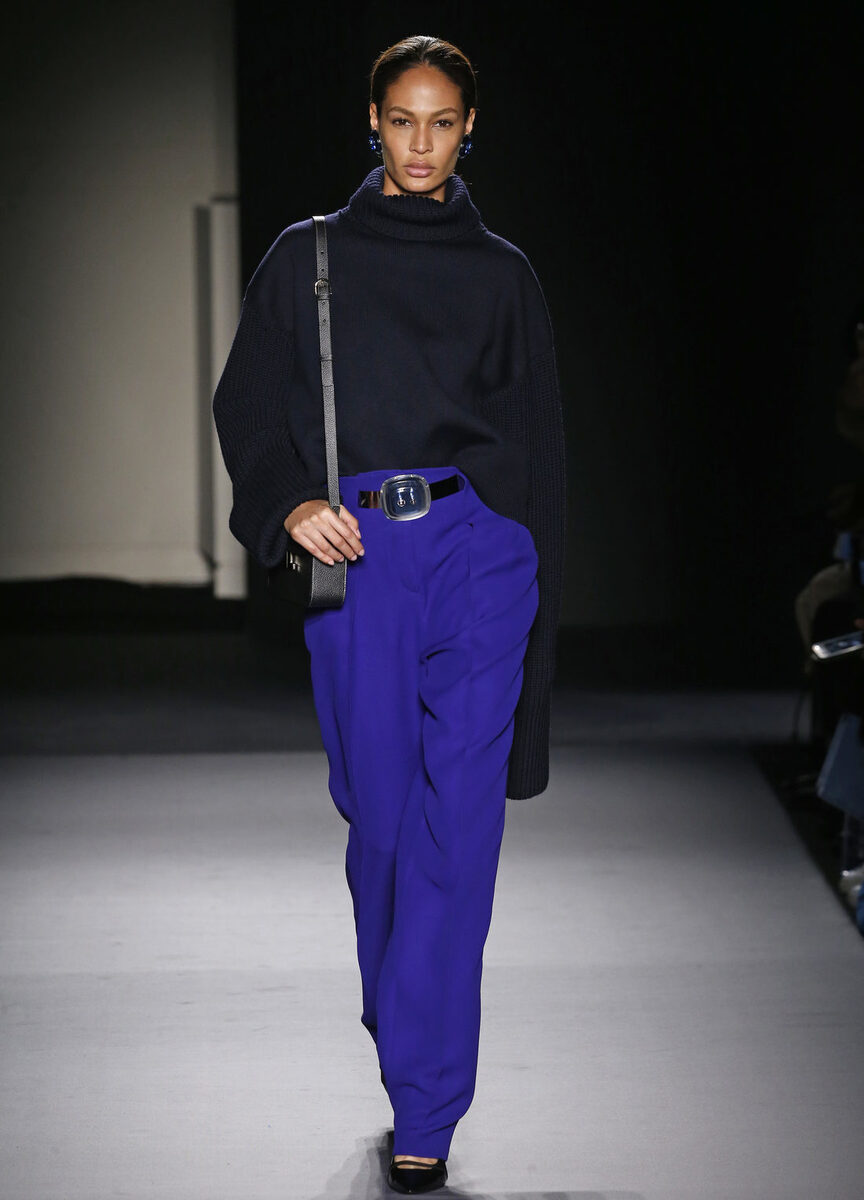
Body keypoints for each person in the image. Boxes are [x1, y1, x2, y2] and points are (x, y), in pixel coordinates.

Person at [212, 34, 566, 1195]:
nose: (422, 144)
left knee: (460, 830)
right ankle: (403, 1017)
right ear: (372, 121)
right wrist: (289, 505)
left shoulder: (504, 275)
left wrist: (532, 594)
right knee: (381, 830)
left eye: (443, 122)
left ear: (470, 130)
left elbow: (541, 449)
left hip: (481, 551)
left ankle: (428, 1102)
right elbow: (246, 403)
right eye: (403, 120)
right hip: (359, 556)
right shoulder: (307, 257)